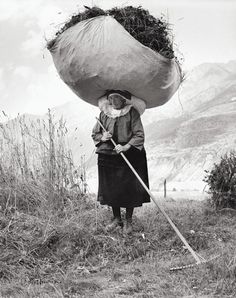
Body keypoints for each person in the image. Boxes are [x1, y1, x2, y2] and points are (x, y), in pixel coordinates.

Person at [91, 90, 150, 234]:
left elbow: (139, 135)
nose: (113, 101)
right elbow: (95, 133)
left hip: (129, 155)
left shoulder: (132, 113)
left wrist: (125, 146)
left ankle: (128, 221)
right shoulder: (104, 114)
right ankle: (116, 218)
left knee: (130, 189)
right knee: (112, 188)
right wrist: (103, 137)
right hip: (109, 155)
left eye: (117, 98)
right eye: (111, 98)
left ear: (123, 100)